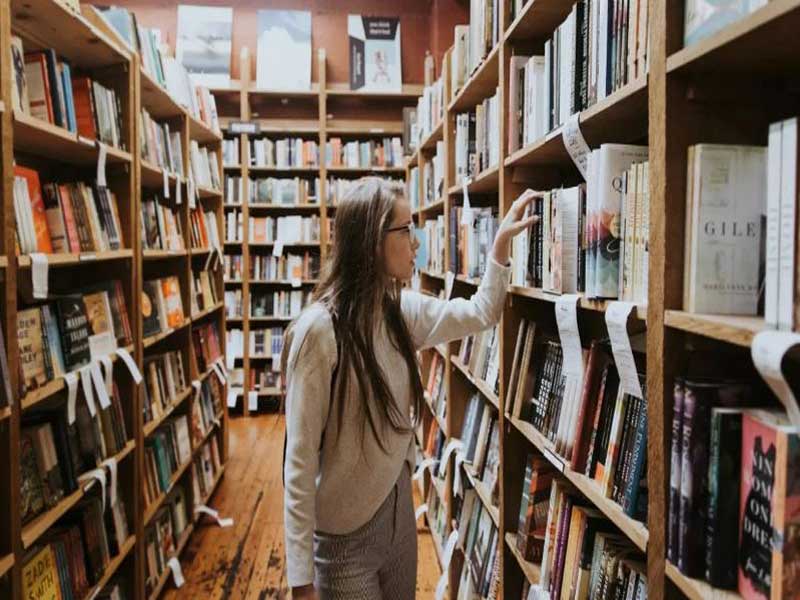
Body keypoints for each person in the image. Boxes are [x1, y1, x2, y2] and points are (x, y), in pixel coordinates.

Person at [282, 177, 537, 600]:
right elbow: (299, 460)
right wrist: (300, 579)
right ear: (372, 242)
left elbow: (481, 312)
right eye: (406, 230)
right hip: (344, 542)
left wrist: (499, 247)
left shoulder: (401, 311)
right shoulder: (319, 332)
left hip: (399, 519)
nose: (417, 241)